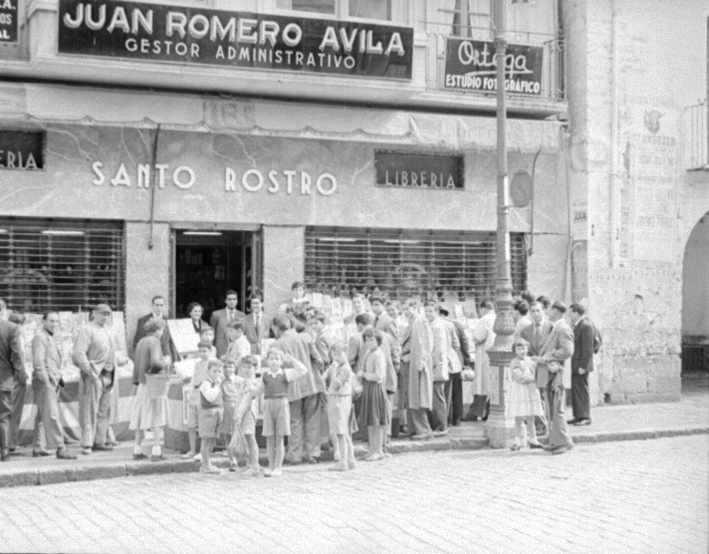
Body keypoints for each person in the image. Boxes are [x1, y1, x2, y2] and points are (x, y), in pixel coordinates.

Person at [272, 315, 325, 464]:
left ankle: (295, 454)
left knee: (294, 420)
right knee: (313, 419)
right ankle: (313, 453)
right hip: (311, 383)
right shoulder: (306, 338)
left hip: (291, 387)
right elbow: (319, 360)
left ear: (276, 328)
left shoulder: (276, 345)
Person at [72, 303, 121, 455]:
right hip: (96, 375)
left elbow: (112, 351)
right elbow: (79, 354)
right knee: (90, 410)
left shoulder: (108, 330)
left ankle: (100, 440)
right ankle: (87, 443)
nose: (105, 317)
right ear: (94, 313)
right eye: (102, 314)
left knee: (104, 410)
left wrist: (120, 359)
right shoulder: (87, 329)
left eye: (108, 314)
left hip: (110, 374)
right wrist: (90, 372)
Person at [531, 301, 575, 455]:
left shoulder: (563, 328)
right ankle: (555, 440)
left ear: (555, 310)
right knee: (551, 408)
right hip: (548, 373)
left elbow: (567, 351)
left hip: (555, 373)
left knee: (557, 409)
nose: (548, 311)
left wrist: (547, 358)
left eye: (550, 309)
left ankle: (563, 441)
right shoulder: (555, 327)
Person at [31, 311, 75, 459]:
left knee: (42, 415)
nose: (55, 324)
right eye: (51, 321)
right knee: (52, 415)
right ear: (43, 322)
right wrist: (46, 381)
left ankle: (39, 446)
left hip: (52, 380)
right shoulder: (40, 337)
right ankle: (60, 448)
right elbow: (38, 362)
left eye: (57, 321)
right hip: (46, 382)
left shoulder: (51, 338)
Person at [259, 348, 307, 477]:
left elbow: (303, 370)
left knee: (280, 436)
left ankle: (278, 467)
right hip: (269, 404)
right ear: (267, 361)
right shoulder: (265, 376)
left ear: (281, 361)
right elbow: (259, 389)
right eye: (271, 359)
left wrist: (292, 361)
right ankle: (271, 465)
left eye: (277, 359)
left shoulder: (286, 373)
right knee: (269, 436)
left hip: (282, 403)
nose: (274, 362)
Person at [130, 318, 171, 461]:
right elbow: (155, 362)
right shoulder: (154, 342)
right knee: (157, 416)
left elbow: (137, 365)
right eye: (162, 330)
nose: (162, 333)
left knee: (140, 416)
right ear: (157, 329)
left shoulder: (141, 341)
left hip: (142, 383)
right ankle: (156, 450)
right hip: (154, 382)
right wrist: (166, 360)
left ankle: (137, 449)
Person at [400, 299, 433, 440]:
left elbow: (424, 344)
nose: (405, 312)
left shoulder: (419, 322)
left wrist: (421, 363)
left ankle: (423, 430)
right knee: (412, 397)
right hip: (411, 362)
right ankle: (414, 428)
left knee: (417, 397)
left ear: (414, 307)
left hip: (417, 365)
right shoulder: (414, 322)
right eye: (403, 309)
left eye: (407, 308)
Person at [520, 301, 553, 437]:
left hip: (548, 366)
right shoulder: (526, 331)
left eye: (538, 310)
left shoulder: (552, 328)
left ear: (544, 310)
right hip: (533, 368)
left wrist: (547, 360)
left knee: (547, 398)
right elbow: (522, 349)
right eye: (532, 311)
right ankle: (540, 425)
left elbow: (556, 347)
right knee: (536, 397)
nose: (535, 313)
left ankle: (550, 425)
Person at [424, 301, 457, 437]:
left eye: (430, 311)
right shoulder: (432, 324)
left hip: (437, 366)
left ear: (437, 312)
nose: (427, 314)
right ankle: (437, 425)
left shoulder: (438, 326)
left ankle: (441, 426)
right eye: (426, 311)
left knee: (437, 396)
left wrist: (431, 365)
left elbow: (438, 349)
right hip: (435, 365)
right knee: (436, 396)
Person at [356, 328, 389, 461]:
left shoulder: (378, 354)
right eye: (367, 340)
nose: (369, 342)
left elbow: (379, 376)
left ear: (378, 341)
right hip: (368, 388)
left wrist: (364, 375)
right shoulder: (368, 353)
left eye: (372, 340)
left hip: (375, 388)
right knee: (370, 420)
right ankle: (372, 449)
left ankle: (378, 450)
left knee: (376, 421)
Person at [324, 342, 357, 472]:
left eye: (339, 354)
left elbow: (337, 383)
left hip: (340, 400)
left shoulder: (345, 369)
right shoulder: (339, 367)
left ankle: (343, 462)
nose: (337, 357)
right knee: (343, 431)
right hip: (336, 399)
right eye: (334, 354)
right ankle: (351, 459)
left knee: (340, 432)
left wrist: (332, 371)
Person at [508, 338, 544, 451]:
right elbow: (519, 377)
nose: (522, 351)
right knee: (518, 417)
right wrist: (535, 379)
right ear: (515, 351)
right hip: (520, 390)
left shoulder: (531, 361)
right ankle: (517, 441)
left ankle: (533, 439)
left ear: (528, 349)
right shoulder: (514, 362)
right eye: (519, 349)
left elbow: (538, 370)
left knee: (531, 416)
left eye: (524, 348)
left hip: (531, 390)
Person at [0, 310, 26, 461]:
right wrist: (21, 374)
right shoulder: (11, 328)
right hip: (4, 379)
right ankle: (4, 450)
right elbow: (16, 355)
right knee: (3, 416)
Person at [439, 305, 470, 427]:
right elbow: (464, 343)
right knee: (457, 392)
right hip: (457, 361)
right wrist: (466, 360)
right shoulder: (457, 324)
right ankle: (457, 418)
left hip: (446, 362)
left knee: (445, 391)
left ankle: (446, 418)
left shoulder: (440, 324)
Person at [182, 340, 212, 461]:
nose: (202, 353)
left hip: (204, 394)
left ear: (210, 351)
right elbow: (194, 379)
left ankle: (203, 451)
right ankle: (192, 449)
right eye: (200, 351)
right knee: (191, 424)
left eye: (204, 351)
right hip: (195, 393)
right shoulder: (197, 364)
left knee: (204, 425)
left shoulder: (212, 363)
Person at [231, 355, 261, 476]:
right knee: (247, 437)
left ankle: (254, 466)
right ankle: (250, 463)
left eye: (249, 367)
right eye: (244, 367)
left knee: (250, 437)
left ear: (255, 368)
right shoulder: (244, 381)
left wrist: (240, 412)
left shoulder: (252, 383)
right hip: (243, 410)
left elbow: (248, 399)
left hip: (248, 411)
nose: (246, 370)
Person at [569, 303, 595, 427]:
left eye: (571, 312)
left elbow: (588, 349)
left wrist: (583, 366)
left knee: (582, 390)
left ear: (576, 312)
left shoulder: (585, 325)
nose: (569, 315)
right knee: (577, 390)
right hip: (576, 363)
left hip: (581, 364)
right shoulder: (579, 325)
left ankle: (585, 416)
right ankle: (578, 415)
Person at [132, 295, 179, 362]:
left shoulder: (169, 321)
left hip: (166, 357)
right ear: (152, 305)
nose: (159, 308)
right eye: (157, 305)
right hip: (150, 357)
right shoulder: (143, 320)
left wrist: (175, 361)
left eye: (161, 305)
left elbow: (172, 343)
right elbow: (138, 342)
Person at [198, 360, 225, 474]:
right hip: (208, 413)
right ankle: (205, 464)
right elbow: (210, 397)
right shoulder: (205, 384)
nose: (217, 374)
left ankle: (207, 462)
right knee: (206, 439)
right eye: (214, 371)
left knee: (213, 439)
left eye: (219, 371)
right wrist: (218, 385)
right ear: (208, 371)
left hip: (218, 412)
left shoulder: (218, 384)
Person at [471, 300, 496, 420]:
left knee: (482, 385)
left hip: (484, 354)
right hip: (494, 355)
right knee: (492, 384)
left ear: (483, 309)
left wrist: (473, 337)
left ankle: (476, 412)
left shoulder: (484, 319)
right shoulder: (497, 318)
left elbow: (478, 337)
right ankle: (489, 411)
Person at [211, 290, 245, 359]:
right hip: (221, 349)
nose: (232, 301)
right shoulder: (216, 315)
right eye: (229, 299)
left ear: (237, 301)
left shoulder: (242, 315)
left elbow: (243, 333)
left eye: (234, 299)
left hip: (237, 349)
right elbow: (212, 333)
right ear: (225, 301)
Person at [219, 358, 239, 471]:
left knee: (238, 434)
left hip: (236, 407)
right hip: (225, 408)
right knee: (227, 434)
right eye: (225, 367)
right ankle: (232, 460)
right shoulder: (221, 381)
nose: (227, 369)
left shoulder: (238, 380)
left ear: (234, 368)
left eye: (230, 367)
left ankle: (245, 458)